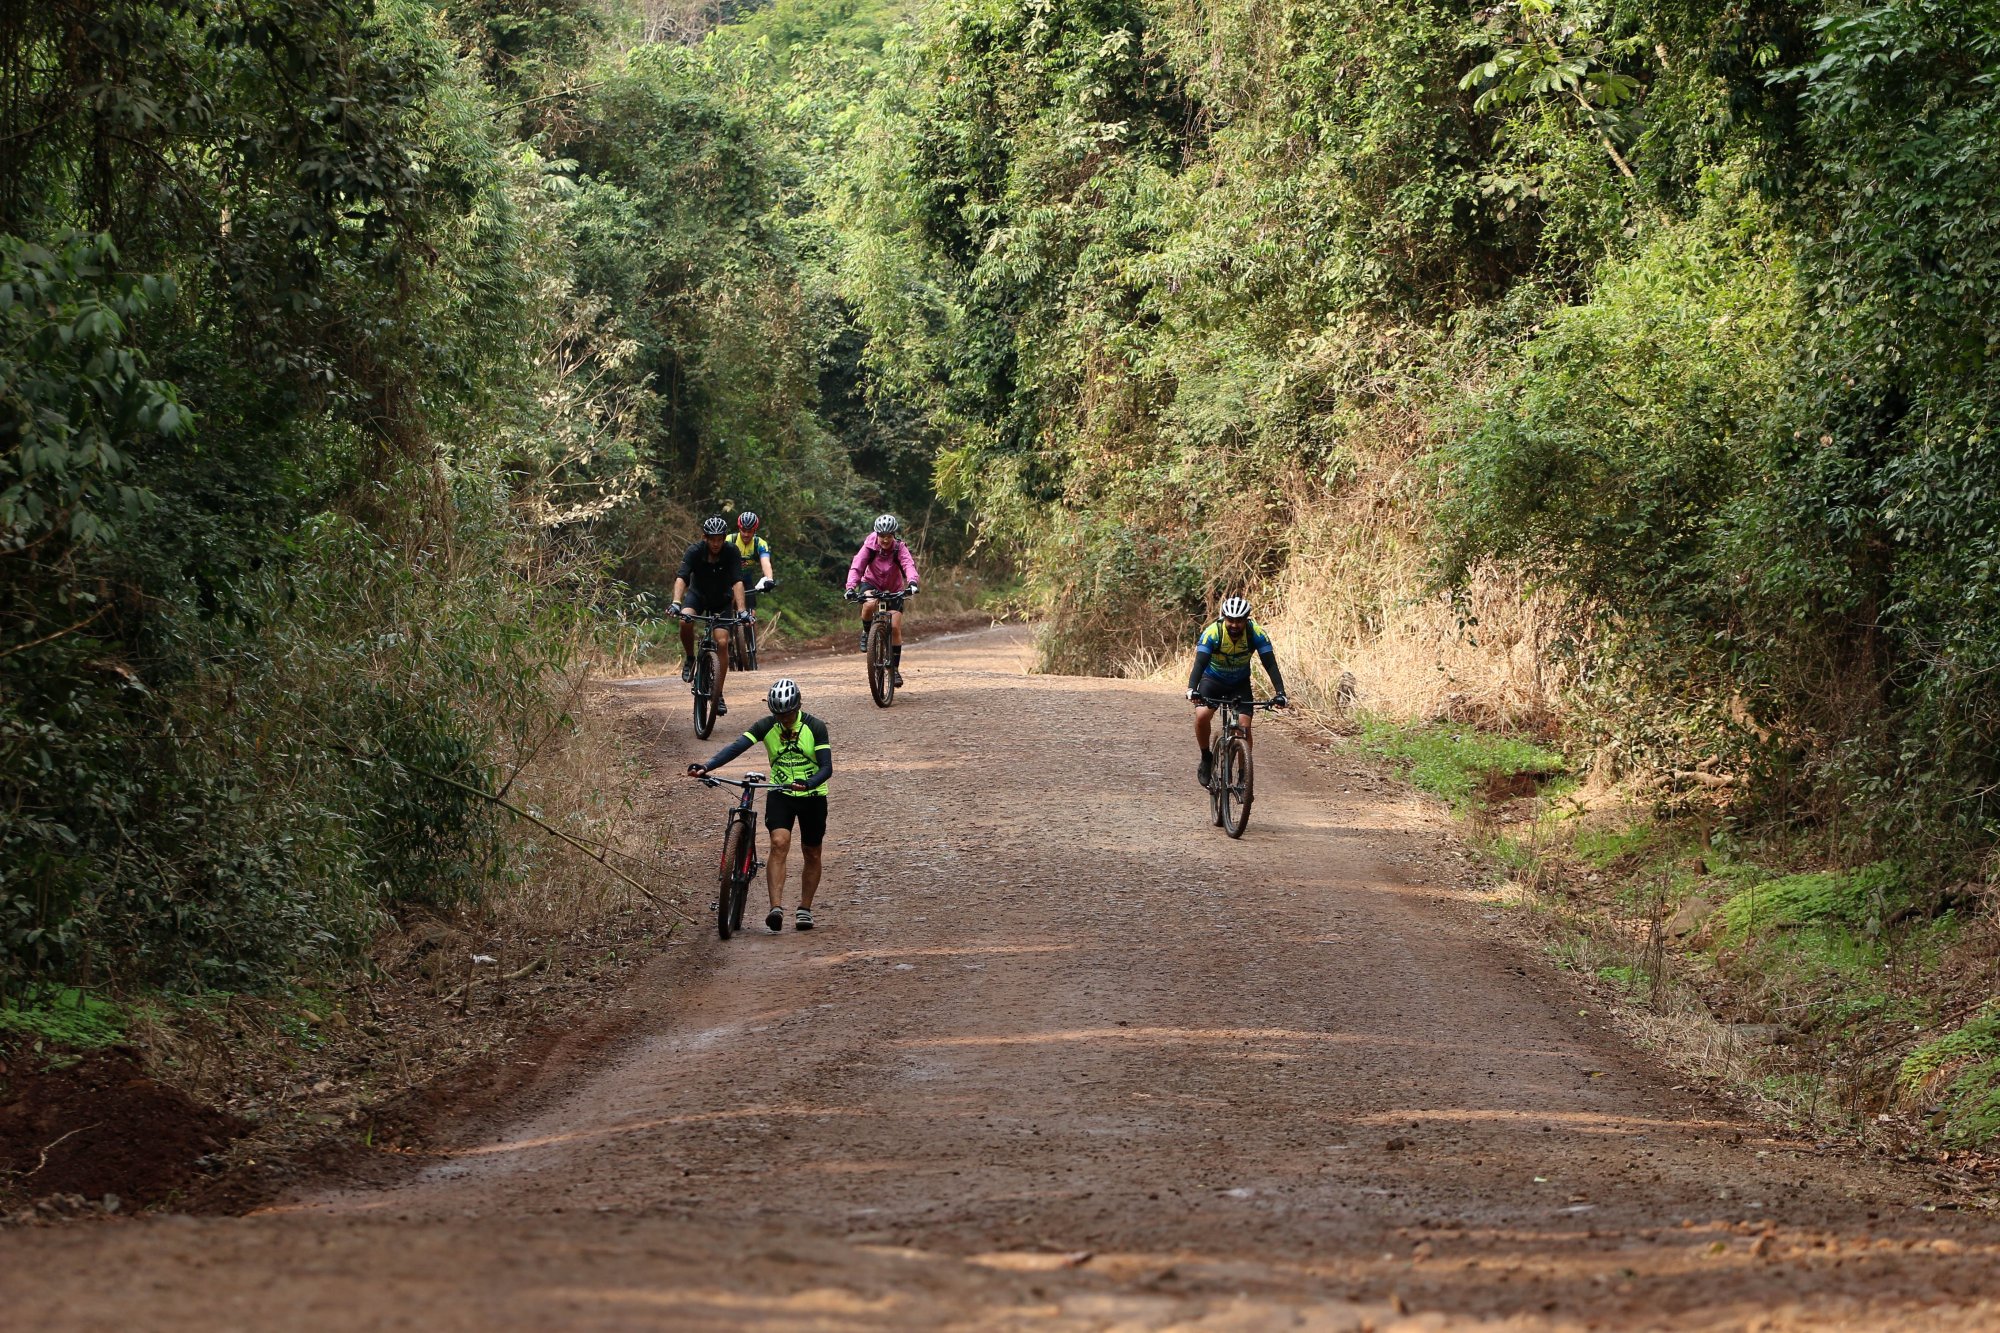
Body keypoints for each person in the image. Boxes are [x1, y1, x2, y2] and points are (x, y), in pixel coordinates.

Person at [686, 678, 832, 933]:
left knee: (812, 852)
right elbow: (737, 747)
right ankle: (775, 908)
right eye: (778, 714)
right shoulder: (766, 726)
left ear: (797, 707)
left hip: (812, 795)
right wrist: (707, 766)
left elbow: (826, 767)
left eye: (787, 713)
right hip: (781, 793)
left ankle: (804, 909)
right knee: (778, 843)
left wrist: (808, 783)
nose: (783, 719)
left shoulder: (815, 727)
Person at [1186, 595, 1288, 787]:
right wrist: (1192, 688)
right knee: (1201, 716)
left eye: (1239, 621)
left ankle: (1243, 775)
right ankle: (1206, 757)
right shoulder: (1212, 633)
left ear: (1246, 619)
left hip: (1239, 683)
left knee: (1244, 727)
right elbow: (1199, 663)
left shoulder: (1256, 633)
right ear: (1223, 618)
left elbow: (1270, 664)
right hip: (1212, 680)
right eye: (1230, 620)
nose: (1234, 625)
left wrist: (1280, 692)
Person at [670, 516, 748, 715]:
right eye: (712, 539)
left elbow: (737, 581)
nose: (716, 543)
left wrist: (742, 611)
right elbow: (682, 577)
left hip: (721, 600)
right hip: (698, 596)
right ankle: (689, 658)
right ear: (705, 538)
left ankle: (718, 694)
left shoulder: (731, 552)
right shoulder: (694, 552)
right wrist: (676, 602)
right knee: (684, 620)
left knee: (722, 642)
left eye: (720, 539)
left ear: (724, 538)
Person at [844, 514, 919, 687]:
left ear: (894, 535)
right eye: (882, 536)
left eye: (889, 536)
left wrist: (913, 582)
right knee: (869, 604)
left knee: (894, 627)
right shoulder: (869, 547)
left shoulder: (899, 547)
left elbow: (908, 565)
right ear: (876, 534)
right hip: (871, 582)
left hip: (894, 588)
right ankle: (866, 632)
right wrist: (850, 587)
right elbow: (857, 566)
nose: (885, 540)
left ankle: (895, 669)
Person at [731, 511, 776, 609]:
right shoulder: (730, 540)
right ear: (739, 528)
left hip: (747, 580)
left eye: (750, 531)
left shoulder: (760, 543)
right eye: (743, 530)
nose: (746, 534)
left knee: (751, 617)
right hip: (729, 580)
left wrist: (769, 579)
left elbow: (766, 562)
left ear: (755, 530)